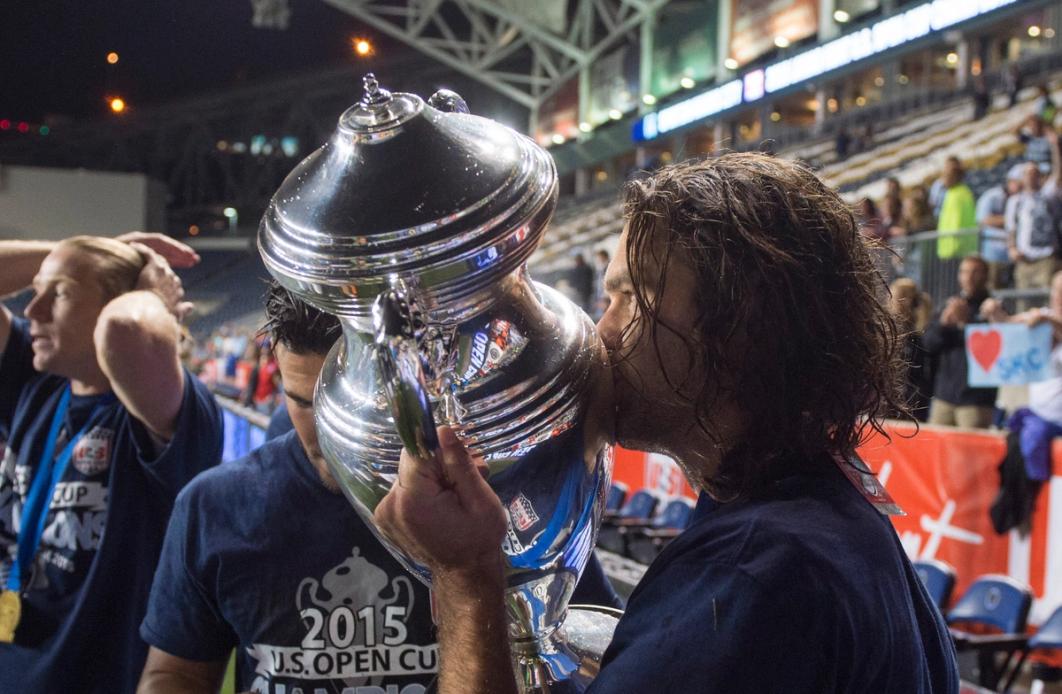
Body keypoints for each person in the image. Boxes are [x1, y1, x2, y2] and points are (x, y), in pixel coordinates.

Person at [372, 154, 959, 693]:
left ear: (741, 329)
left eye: (632, 297)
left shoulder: (751, 578)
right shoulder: (828, 514)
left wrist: (465, 577)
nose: (602, 333)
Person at [137, 283, 621, 694]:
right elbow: (174, 672)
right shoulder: (214, 506)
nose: (321, 433)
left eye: (348, 408)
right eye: (300, 401)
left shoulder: (491, 503)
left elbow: (588, 646)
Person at [0, 234, 223, 693]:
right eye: (36, 291)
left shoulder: (169, 410)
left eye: (58, 294)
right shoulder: (38, 383)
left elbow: (126, 333)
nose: (32, 310)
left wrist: (153, 294)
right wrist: (71, 253)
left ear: (116, 305)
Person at [983, 270, 1062, 482]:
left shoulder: (1045, 318)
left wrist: (1051, 322)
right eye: (1057, 291)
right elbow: (1007, 326)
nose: (1060, 297)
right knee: (1030, 443)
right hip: (1043, 415)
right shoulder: (1041, 315)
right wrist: (994, 311)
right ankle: (1041, 495)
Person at [922, 255, 997, 429]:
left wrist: (967, 324)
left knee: (970, 454)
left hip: (976, 401)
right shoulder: (950, 305)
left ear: (985, 276)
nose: (969, 277)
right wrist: (944, 324)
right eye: (964, 272)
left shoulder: (993, 309)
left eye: (975, 272)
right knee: (937, 452)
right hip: (944, 398)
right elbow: (928, 344)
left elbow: (994, 347)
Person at [1007, 129, 1062, 308]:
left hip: (1046, 259)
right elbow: (1011, 229)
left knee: (1049, 304)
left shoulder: (1048, 195)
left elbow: (1058, 175)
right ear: (1023, 178)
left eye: (1035, 173)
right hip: (1025, 262)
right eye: (1028, 173)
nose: (1031, 176)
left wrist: (1055, 147)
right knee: (1024, 305)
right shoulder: (1016, 201)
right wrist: (1012, 248)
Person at [889, 278, 933, 422]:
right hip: (893, 396)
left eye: (893, 297)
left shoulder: (919, 333)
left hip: (910, 399)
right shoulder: (890, 329)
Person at [976, 163, 1025, 288]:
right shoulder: (992, 196)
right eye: (1019, 184)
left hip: (1015, 256)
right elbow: (983, 220)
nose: (1022, 187)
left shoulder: (1023, 199)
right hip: (994, 255)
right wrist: (1011, 219)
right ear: (1010, 181)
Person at [935, 158, 978, 261]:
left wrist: (955, 246)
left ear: (955, 177)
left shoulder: (961, 193)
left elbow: (958, 221)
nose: (943, 179)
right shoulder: (951, 193)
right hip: (949, 249)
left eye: (946, 176)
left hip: (957, 250)